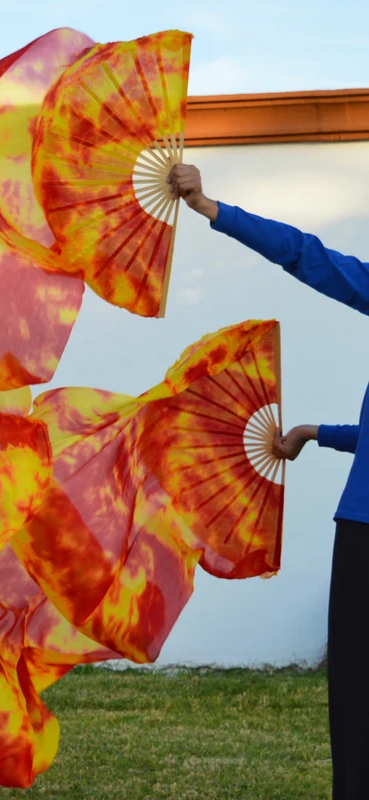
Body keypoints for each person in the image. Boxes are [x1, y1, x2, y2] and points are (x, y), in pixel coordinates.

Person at [168, 163, 368, 799]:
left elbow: (309, 257)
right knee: (358, 696)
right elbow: (306, 256)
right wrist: (316, 432)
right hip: (362, 522)